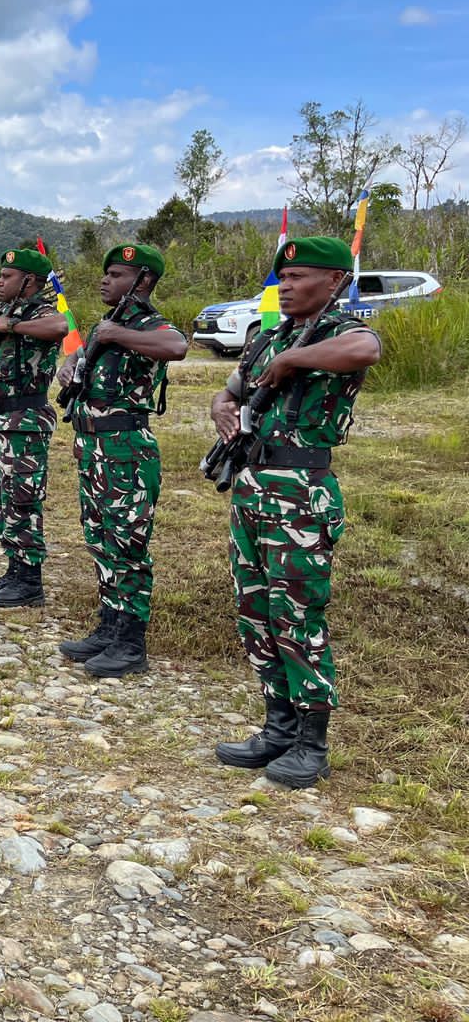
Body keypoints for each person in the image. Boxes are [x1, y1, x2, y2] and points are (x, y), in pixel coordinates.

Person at [209, 236, 380, 789]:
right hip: (254, 486)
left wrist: (291, 360)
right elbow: (230, 390)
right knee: (255, 609)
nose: (286, 286)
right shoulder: (265, 336)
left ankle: (312, 742)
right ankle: (277, 726)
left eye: (299, 277)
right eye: (282, 278)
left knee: (298, 616)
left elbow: (365, 352)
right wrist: (224, 408)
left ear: (334, 282)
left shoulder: (342, 332)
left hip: (302, 492)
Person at [53, 244, 186, 677]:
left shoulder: (149, 324)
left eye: (116, 274)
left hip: (126, 449)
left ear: (143, 281)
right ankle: (108, 627)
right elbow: (84, 361)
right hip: (93, 447)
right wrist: (71, 365)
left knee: (128, 547)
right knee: (101, 540)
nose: (104, 280)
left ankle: (131, 643)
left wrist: (115, 336)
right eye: (105, 273)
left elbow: (176, 345)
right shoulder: (104, 324)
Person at [0, 249, 68, 609]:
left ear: (30, 281)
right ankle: (14, 568)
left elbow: (60, 328)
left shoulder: (41, 312)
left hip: (24, 420)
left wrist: (9, 327)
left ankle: (30, 580)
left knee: (24, 498)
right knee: (4, 496)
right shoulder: (2, 311)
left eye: (7, 276)